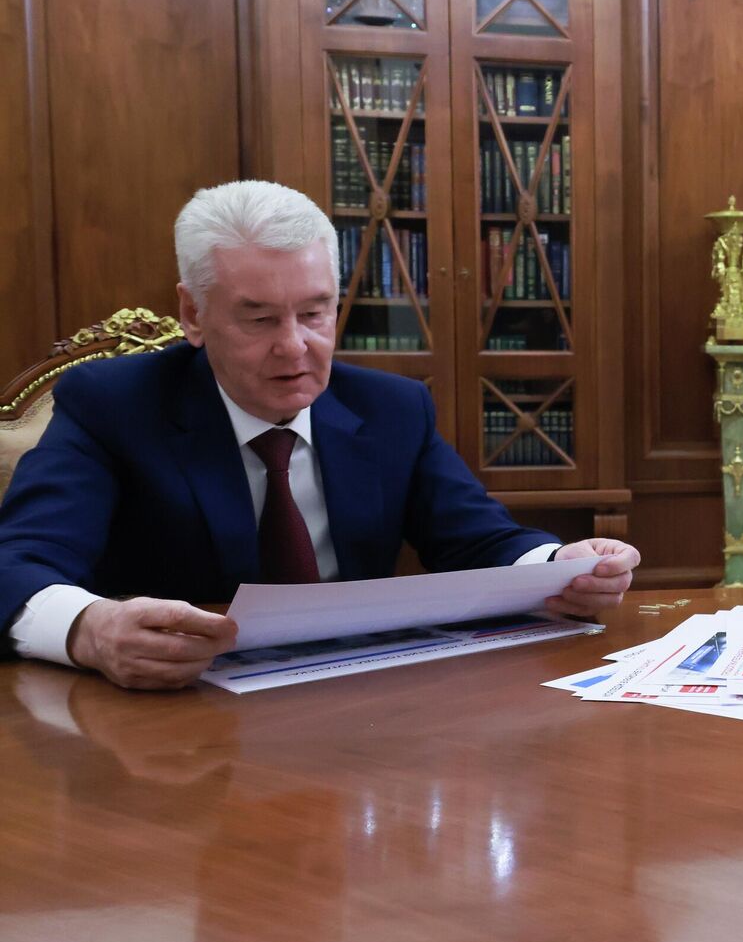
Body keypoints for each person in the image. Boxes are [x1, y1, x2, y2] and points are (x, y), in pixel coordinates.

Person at [0, 180, 640, 690]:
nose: (294, 347)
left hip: (357, 706)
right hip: (175, 722)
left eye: (314, 313)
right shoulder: (114, 406)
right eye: (258, 319)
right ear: (193, 313)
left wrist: (559, 569)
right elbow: (16, 564)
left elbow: (480, 540)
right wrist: (90, 630)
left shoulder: (391, 408)